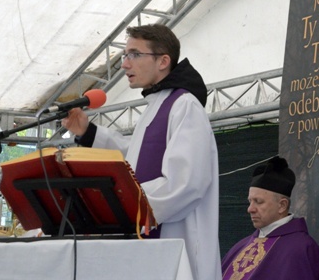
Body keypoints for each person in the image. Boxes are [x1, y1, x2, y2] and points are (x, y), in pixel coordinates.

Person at [62, 24, 220, 280]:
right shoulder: (157, 105)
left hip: (176, 239)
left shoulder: (184, 105)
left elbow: (187, 182)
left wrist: (123, 202)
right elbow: (134, 158)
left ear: (163, 61)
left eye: (134, 54)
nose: (125, 64)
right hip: (149, 242)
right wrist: (88, 132)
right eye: (125, 55)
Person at [221, 156, 319, 280]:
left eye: (258, 201)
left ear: (282, 205)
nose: (250, 209)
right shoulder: (240, 246)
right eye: (250, 201)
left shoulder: (302, 250)